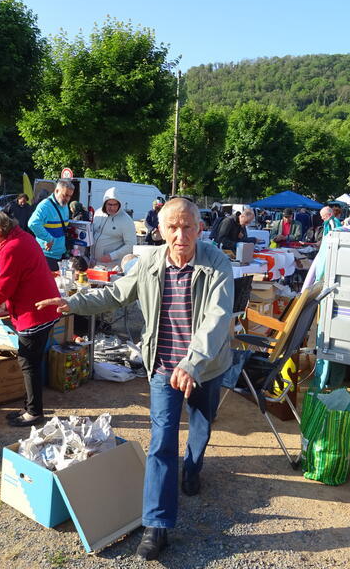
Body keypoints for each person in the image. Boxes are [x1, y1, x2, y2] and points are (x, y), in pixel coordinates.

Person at [36, 198, 232, 561]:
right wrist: (74, 303)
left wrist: (193, 362)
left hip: (205, 365)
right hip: (161, 365)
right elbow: (115, 293)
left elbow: (217, 319)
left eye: (188, 226)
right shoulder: (150, 263)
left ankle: (192, 468)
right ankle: (157, 525)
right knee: (160, 442)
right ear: (160, 230)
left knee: (202, 425)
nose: (181, 234)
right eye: (172, 227)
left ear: (200, 228)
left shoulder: (216, 263)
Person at [0, 211, 61, 428]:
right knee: (31, 360)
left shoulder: (11, 248)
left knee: (29, 362)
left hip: (34, 312)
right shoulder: (22, 237)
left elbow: (2, 289)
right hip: (42, 307)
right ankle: (30, 406)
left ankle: (34, 412)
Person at [28, 179, 74, 271]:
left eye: (70, 196)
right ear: (56, 191)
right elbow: (33, 223)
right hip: (46, 256)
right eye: (65, 195)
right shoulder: (45, 205)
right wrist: (48, 238)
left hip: (61, 254)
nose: (67, 199)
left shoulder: (64, 205)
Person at [91, 188, 136, 265]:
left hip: (112, 265)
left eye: (115, 205)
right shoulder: (98, 213)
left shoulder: (126, 220)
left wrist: (112, 256)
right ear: (104, 203)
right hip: (94, 262)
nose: (112, 207)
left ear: (120, 204)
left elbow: (131, 245)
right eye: (109, 204)